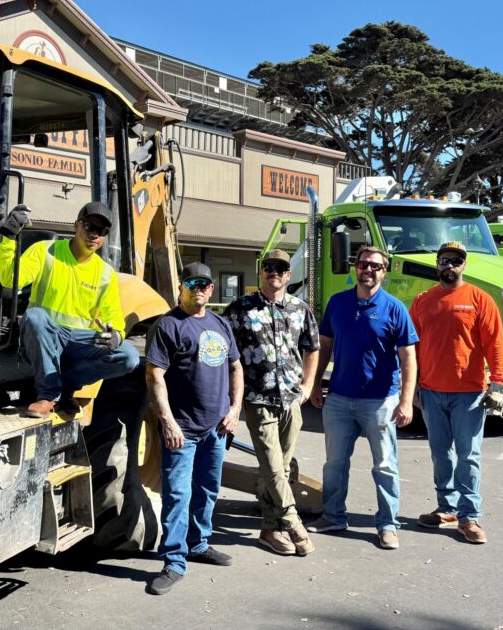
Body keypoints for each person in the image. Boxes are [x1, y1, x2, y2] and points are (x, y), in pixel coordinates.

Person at [307, 245, 418, 550]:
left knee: (385, 466)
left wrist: (406, 400)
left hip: (380, 402)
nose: (368, 269)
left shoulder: (395, 308)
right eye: (363, 264)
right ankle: (333, 516)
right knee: (334, 464)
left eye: (375, 266)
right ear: (355, 267)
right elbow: (324, 346)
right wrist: (314, 384)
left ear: (384, 271)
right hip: (339, 399)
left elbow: (408, 357)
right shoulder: (337, 303)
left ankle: (387, 524)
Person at [145, 262, 243, 595]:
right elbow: (155, 376)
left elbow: (236, 367)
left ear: (211, 289)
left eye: (204, 283)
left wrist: (235, 409)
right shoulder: (167, 326)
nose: (198, 289)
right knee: (177, 495)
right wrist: (168, 421)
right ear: (181, 287)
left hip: (216, 428)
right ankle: (174, 561)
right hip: (182, 430)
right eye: (192, 283)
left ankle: (198, 544)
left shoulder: (221, 324)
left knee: (207, 489)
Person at [0, 201, 139, 418]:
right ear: (76, 225)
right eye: (90, 226)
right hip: (46, 337)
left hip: (79, 343)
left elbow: (113, 315)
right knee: (35, 317)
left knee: (128, 355)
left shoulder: (105, 273)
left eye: (102, 231)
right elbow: (8, 279)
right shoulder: (46, 251)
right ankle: (48, 394)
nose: (95, 235)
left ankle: (66, 384)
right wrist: (8, 237)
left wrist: (116, 335)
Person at [223, 249, 320, 556]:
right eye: (269, 267)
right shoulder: (239, 308)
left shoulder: (300, 308)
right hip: (258, 399)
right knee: (273, 467)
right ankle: (292, 523)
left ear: (288, 275)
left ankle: (269, 529)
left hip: (291, 400)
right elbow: (225, 353)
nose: (274, 272)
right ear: (261, 271)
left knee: (279, 468)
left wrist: (308, 385)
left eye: (280, 268)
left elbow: (312, 347)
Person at [409, 241, 503, 544]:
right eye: (444, 260)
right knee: (441, 454)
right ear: (437, 264)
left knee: (468, 456)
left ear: (464, 265)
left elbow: (495, 343)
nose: (449, 265)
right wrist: (411, 386)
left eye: (455, 261)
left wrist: (498, 383)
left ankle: (469, 516)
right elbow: (411, 347)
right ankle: (447, 508)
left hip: (469, 394)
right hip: (431, 392)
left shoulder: (479, 299)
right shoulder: (423, 301)